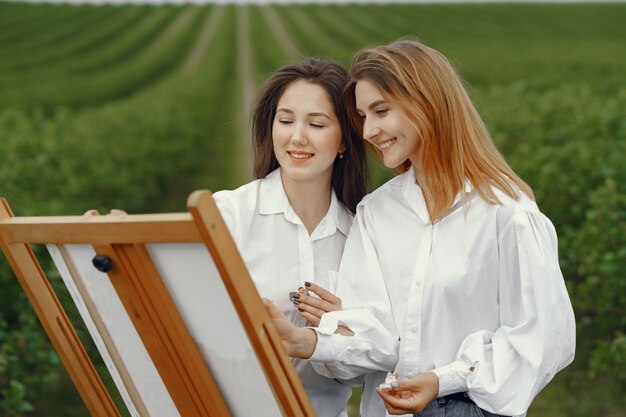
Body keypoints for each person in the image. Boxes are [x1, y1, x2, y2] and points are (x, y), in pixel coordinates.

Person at [264, 39, 576, 417]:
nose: (369, 131)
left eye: (381, 111)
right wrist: (307, 340)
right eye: (363, 116)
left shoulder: (506, 213)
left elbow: (542, 339)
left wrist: (444, 380)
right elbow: (376, 338)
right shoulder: (376, 213)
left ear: (426, 104)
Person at [212, 58, 368, 417]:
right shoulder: (229, 215)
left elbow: (368, 370)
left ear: (344, 139)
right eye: (285, 121)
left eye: (316, 123)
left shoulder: (361, 234)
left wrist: (339, 331)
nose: (297, 136)